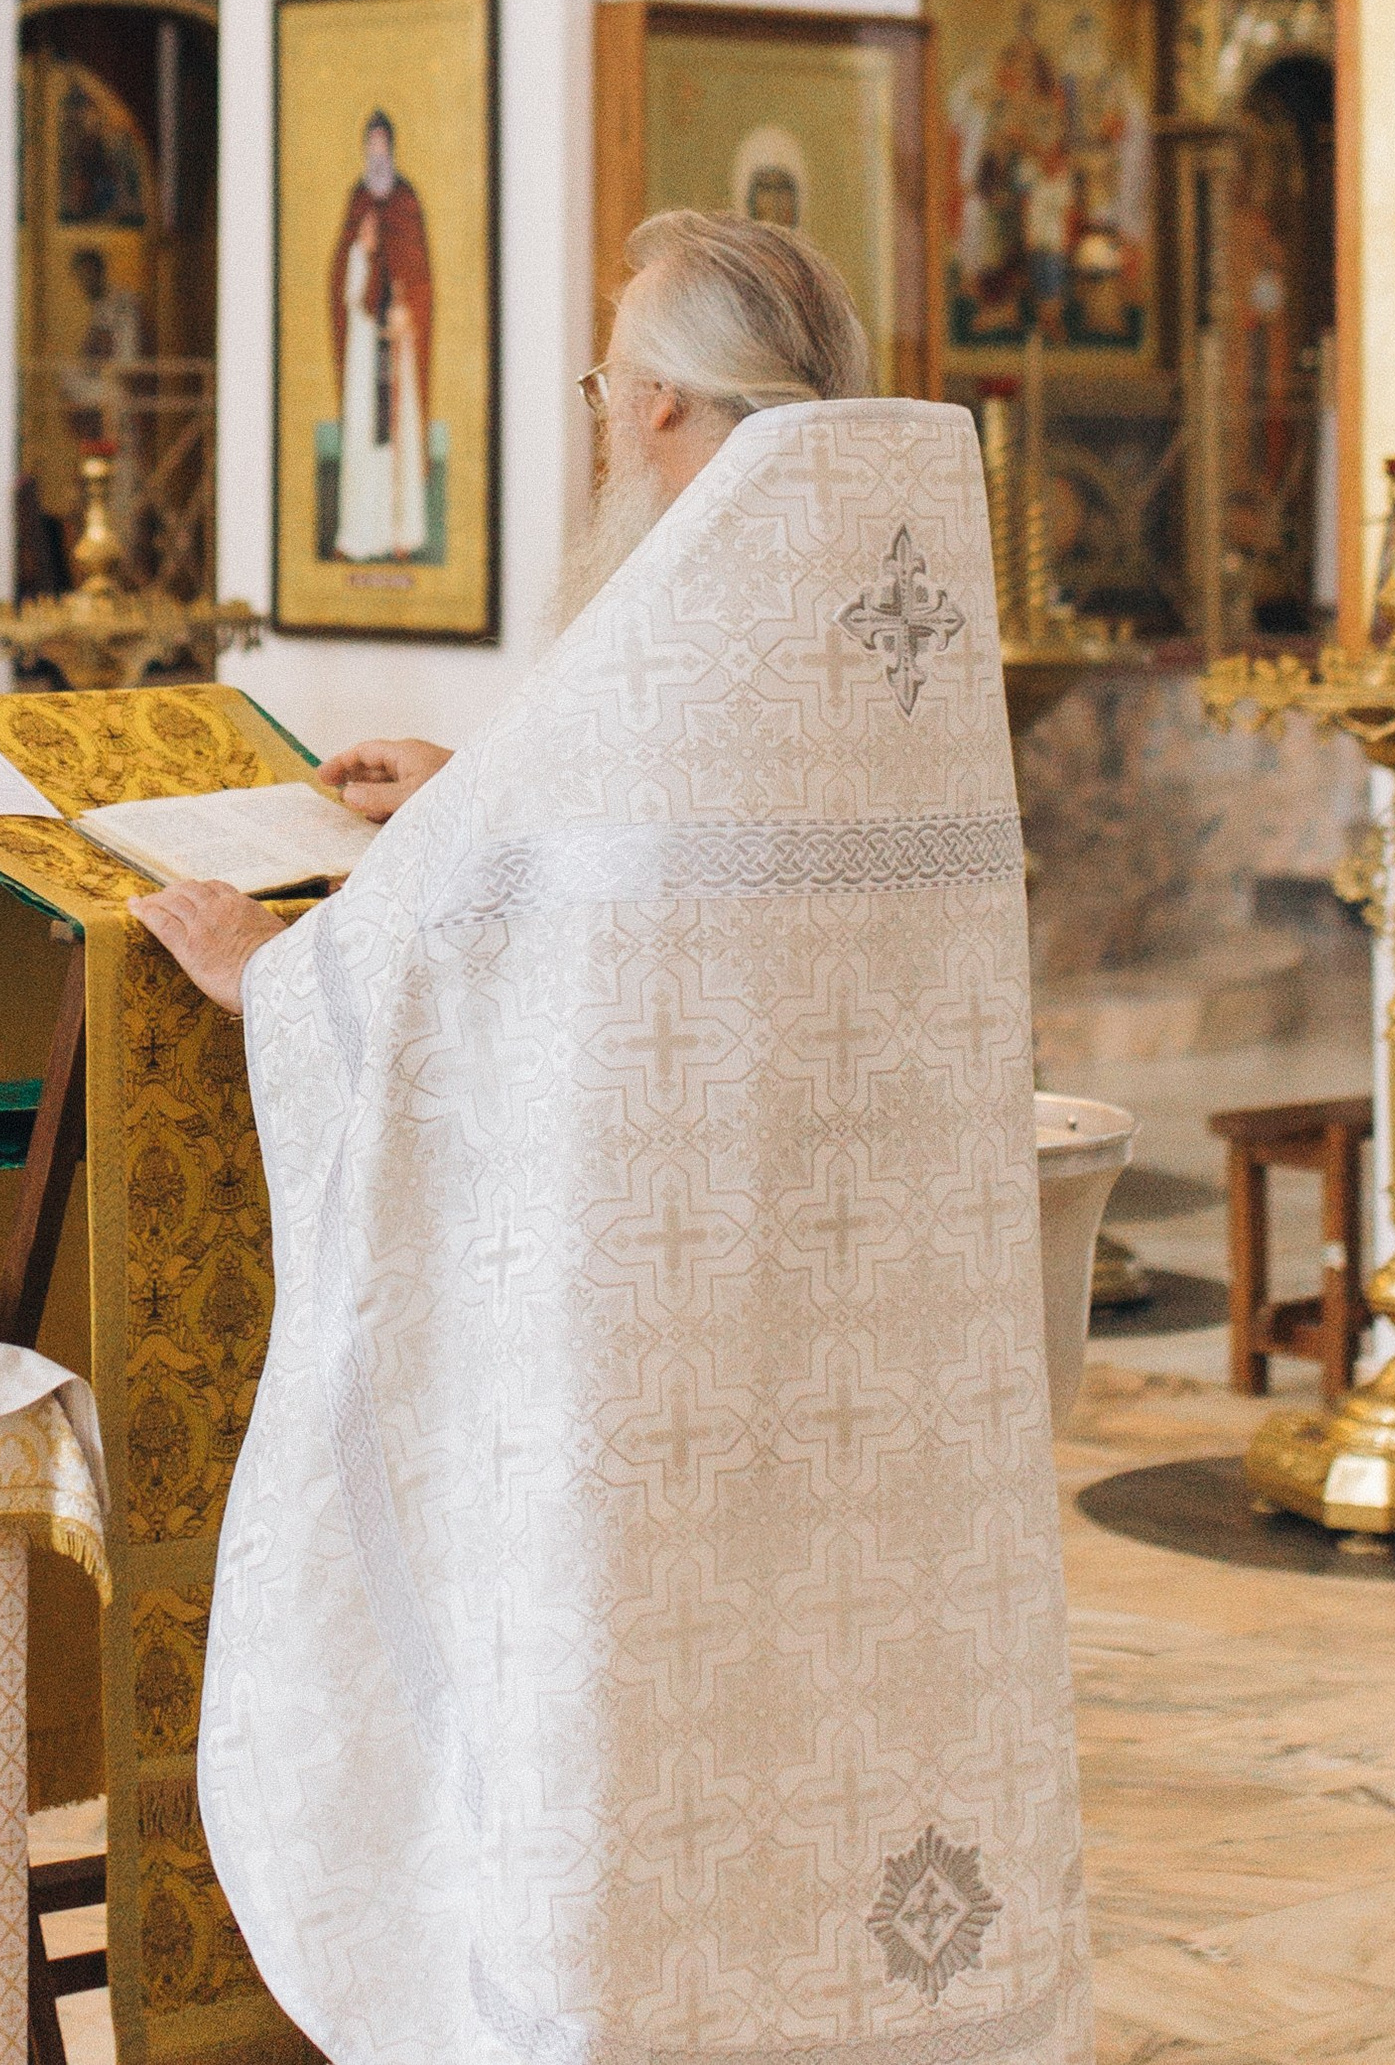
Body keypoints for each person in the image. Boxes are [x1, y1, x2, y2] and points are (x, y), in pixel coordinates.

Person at [133, 214, 1090, 2065]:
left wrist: (276, 979)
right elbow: (669, 872)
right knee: (844, 1695)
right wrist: (483, 788)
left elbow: (488, 944)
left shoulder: (693, 610)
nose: (597, 420)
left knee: (657, 1717)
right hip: (862, 1340)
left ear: (653, 397)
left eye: (597, 386)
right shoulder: (860, 569)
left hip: (669, 1359)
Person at [327, 113, 433, 561]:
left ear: (391, 147)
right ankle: (360, 536)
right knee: (363, 437)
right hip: (366, 339)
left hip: (398, 338)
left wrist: (409, 310)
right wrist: (361, 252)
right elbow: (341, 277)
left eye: (381, 144)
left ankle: (402, 535)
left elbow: (419, 269)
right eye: (369, 144)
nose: (376, 152)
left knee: (398, 435)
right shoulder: (358, 201)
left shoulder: (406, 199)